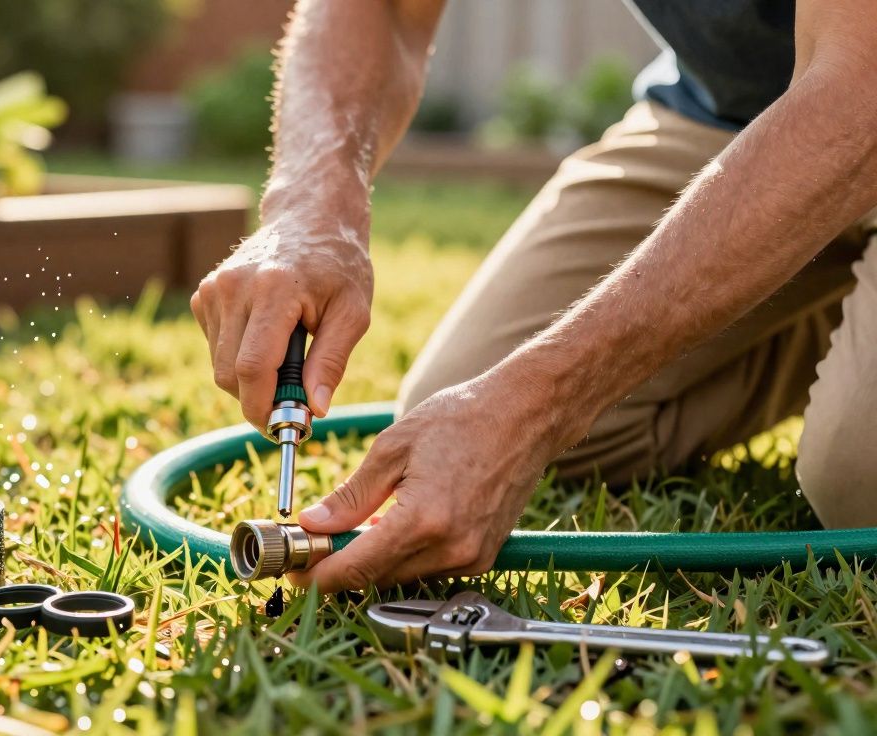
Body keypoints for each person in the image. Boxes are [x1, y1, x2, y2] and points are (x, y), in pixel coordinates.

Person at [190, 0, 877, 594]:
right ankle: (822, 291)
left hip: (859, 84)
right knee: (464, 393)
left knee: (858, 479)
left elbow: (860, 91)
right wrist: (312, 212)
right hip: (730, 117)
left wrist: (535, 404)